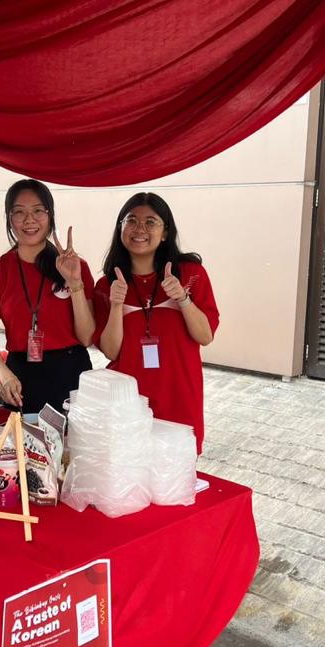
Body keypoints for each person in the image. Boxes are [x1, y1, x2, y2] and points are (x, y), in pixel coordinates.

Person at [94, 192, 219, 452]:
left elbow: (205, 336)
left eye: (151, 222)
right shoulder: (107, 285)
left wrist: (182, 299)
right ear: (121, 228)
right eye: (131, 220)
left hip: (179, 397)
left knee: (176, 480)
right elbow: (110, 350)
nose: (140, 229)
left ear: (164, 233)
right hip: (129, 404)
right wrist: (116, 304)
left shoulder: (190, 274)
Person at [0, 178, 95, 414]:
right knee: (19, 448)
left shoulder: (74, 266)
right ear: (10, 219)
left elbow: (87, 338)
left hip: (71, 374)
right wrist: (3, 374)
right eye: (19, 212)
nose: (29, 220)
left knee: (72, 448)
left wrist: (74, 284)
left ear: (50, 216)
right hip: (20, 377)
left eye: (38, 211)